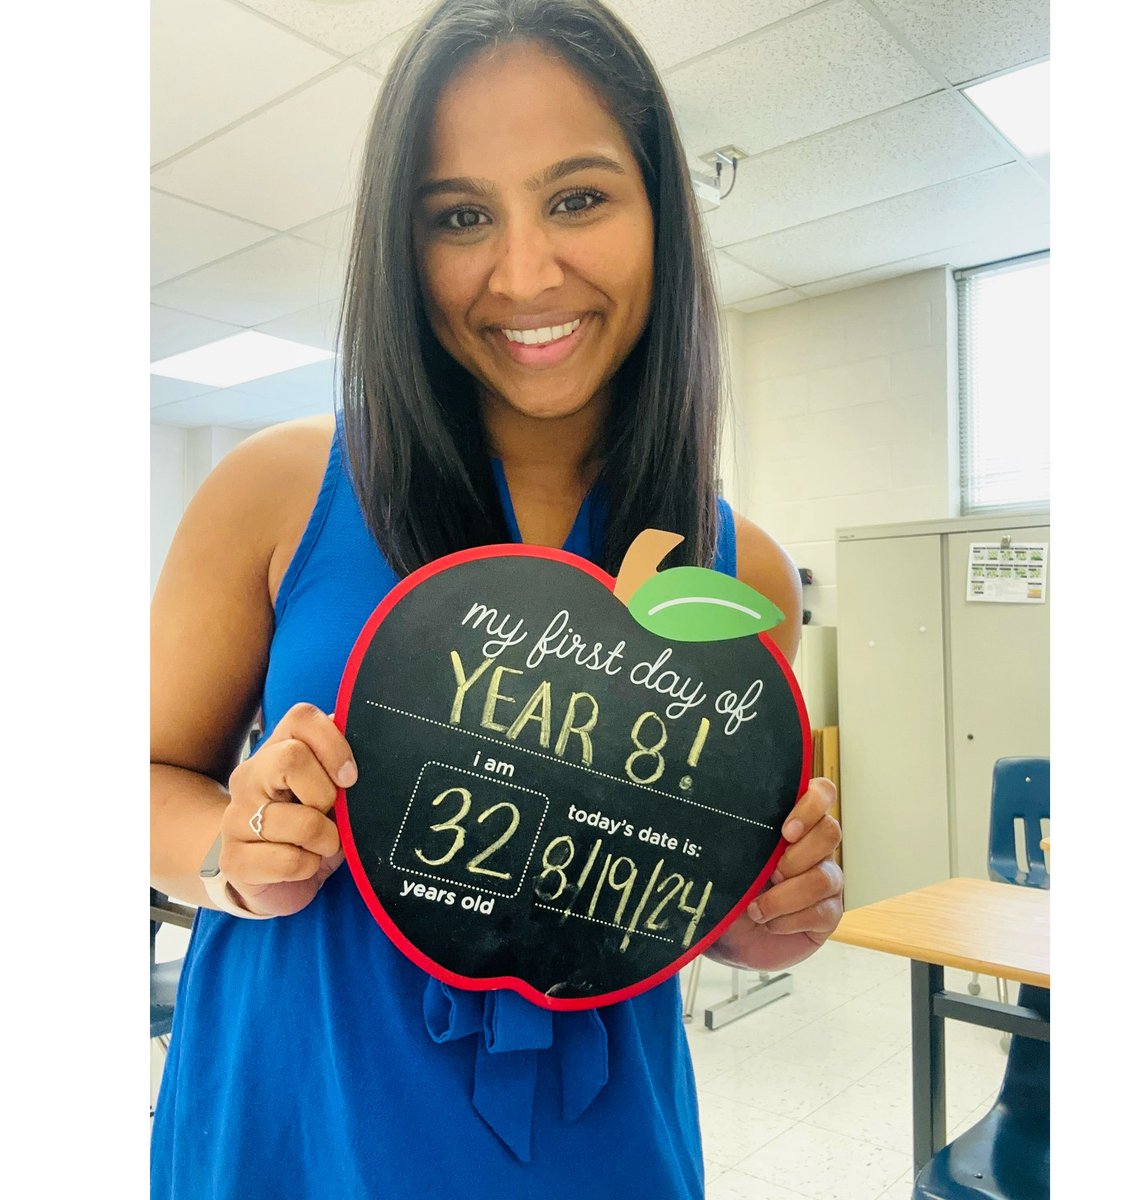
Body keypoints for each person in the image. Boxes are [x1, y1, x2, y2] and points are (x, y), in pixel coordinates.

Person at [149, 2, 844, 1196]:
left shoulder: (743, 574)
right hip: (303, 1121)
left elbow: (707, 880)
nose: (525, 273)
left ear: (661, 216)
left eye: (578, 197)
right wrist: (226, 850)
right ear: (399, 243)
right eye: (460, 216)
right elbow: (138, 780)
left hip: (596, 1142)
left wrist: (765, 911)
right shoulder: (279, 490)